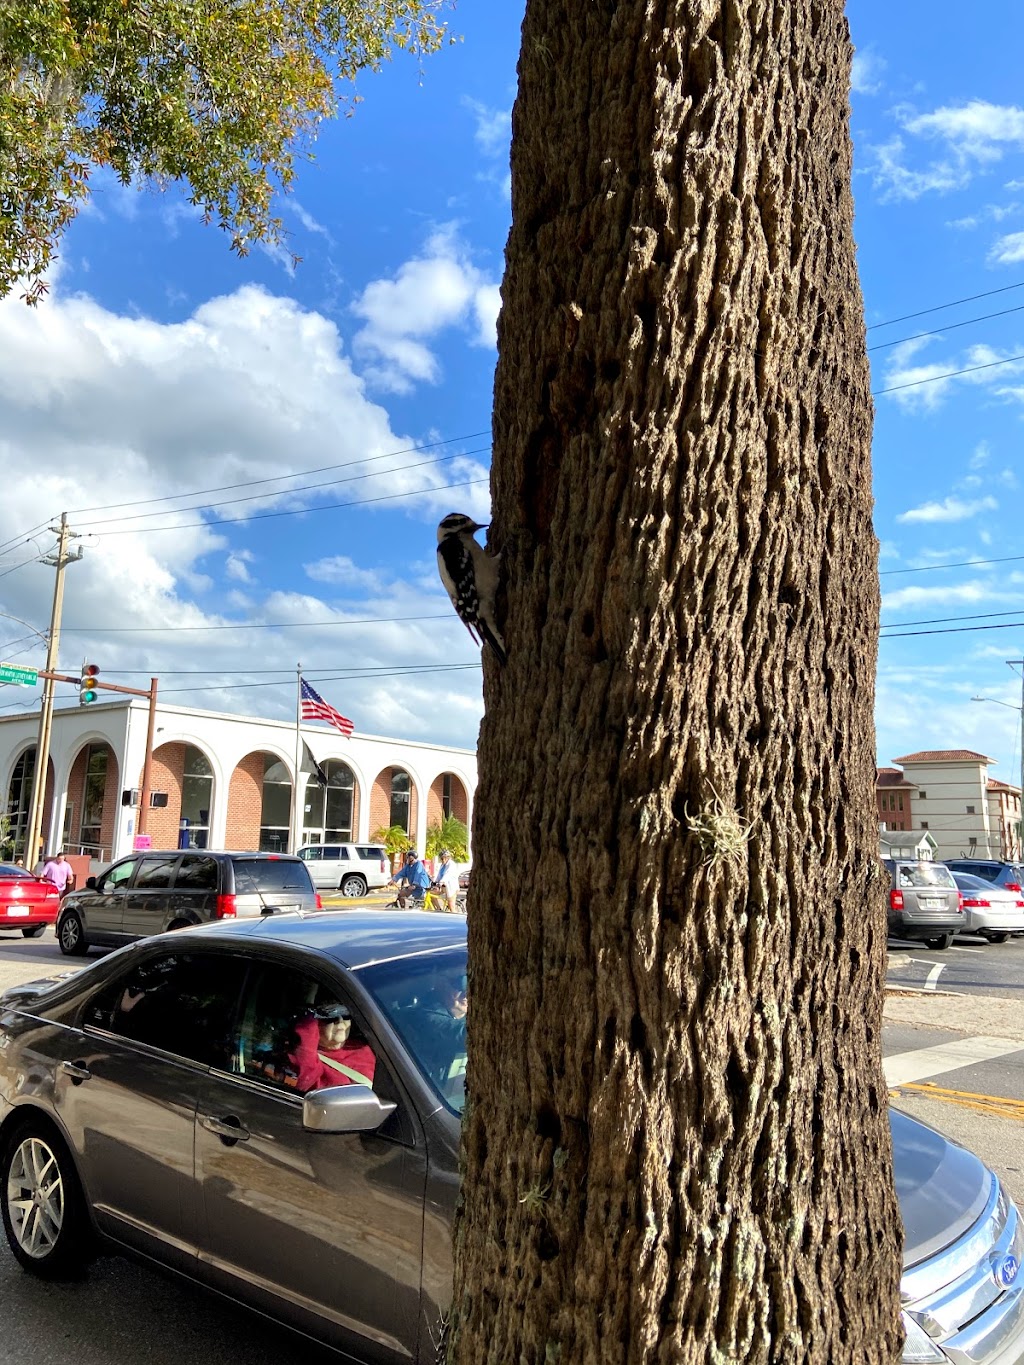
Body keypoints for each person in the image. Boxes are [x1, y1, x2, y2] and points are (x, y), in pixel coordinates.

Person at [288, 1001, 376, 1093]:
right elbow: (305, 1079)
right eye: (330, 1017)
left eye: (345, 1014)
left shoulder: (362, 1048)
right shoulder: (307, 1059)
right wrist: (307, 1019)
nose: (340, 1020)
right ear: (315, 1024)